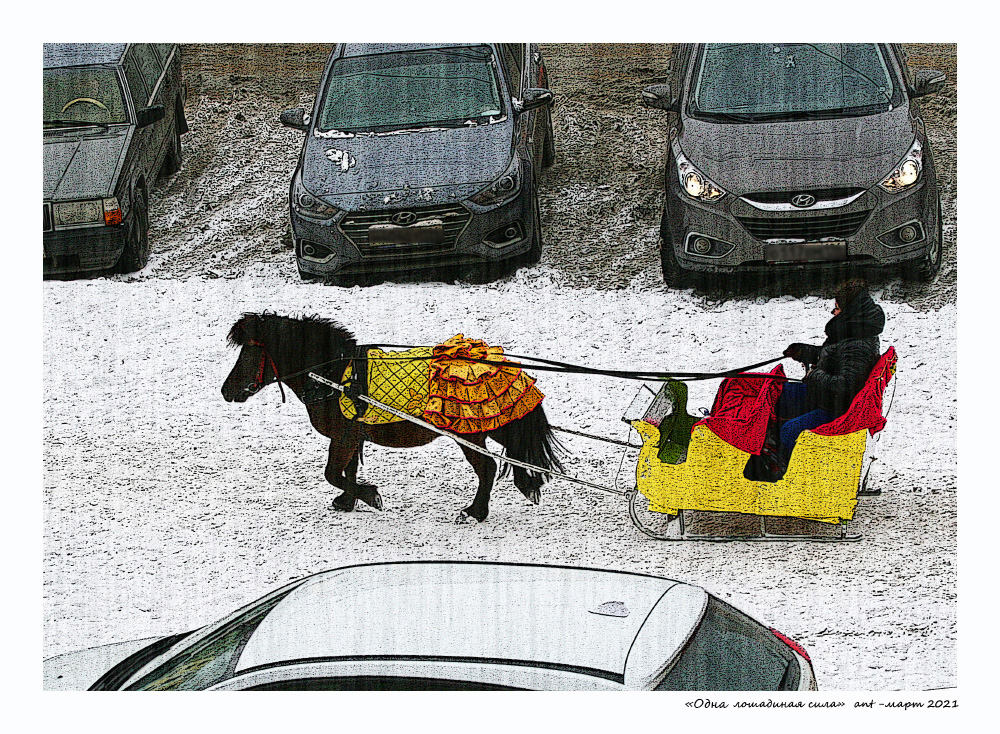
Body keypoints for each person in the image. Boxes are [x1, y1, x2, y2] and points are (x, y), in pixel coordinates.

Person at [778, 279, 886, 463]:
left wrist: (814, 375)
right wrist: (804, 352)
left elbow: (845, 385)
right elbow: (835, 356)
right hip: (827, 397)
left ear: (849, 311)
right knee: (777, 392)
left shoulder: (857, 346)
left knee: (788, 430)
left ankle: (789, 470)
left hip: (836, 409)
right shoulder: (853, 332)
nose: (833, 312)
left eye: (837, 308)